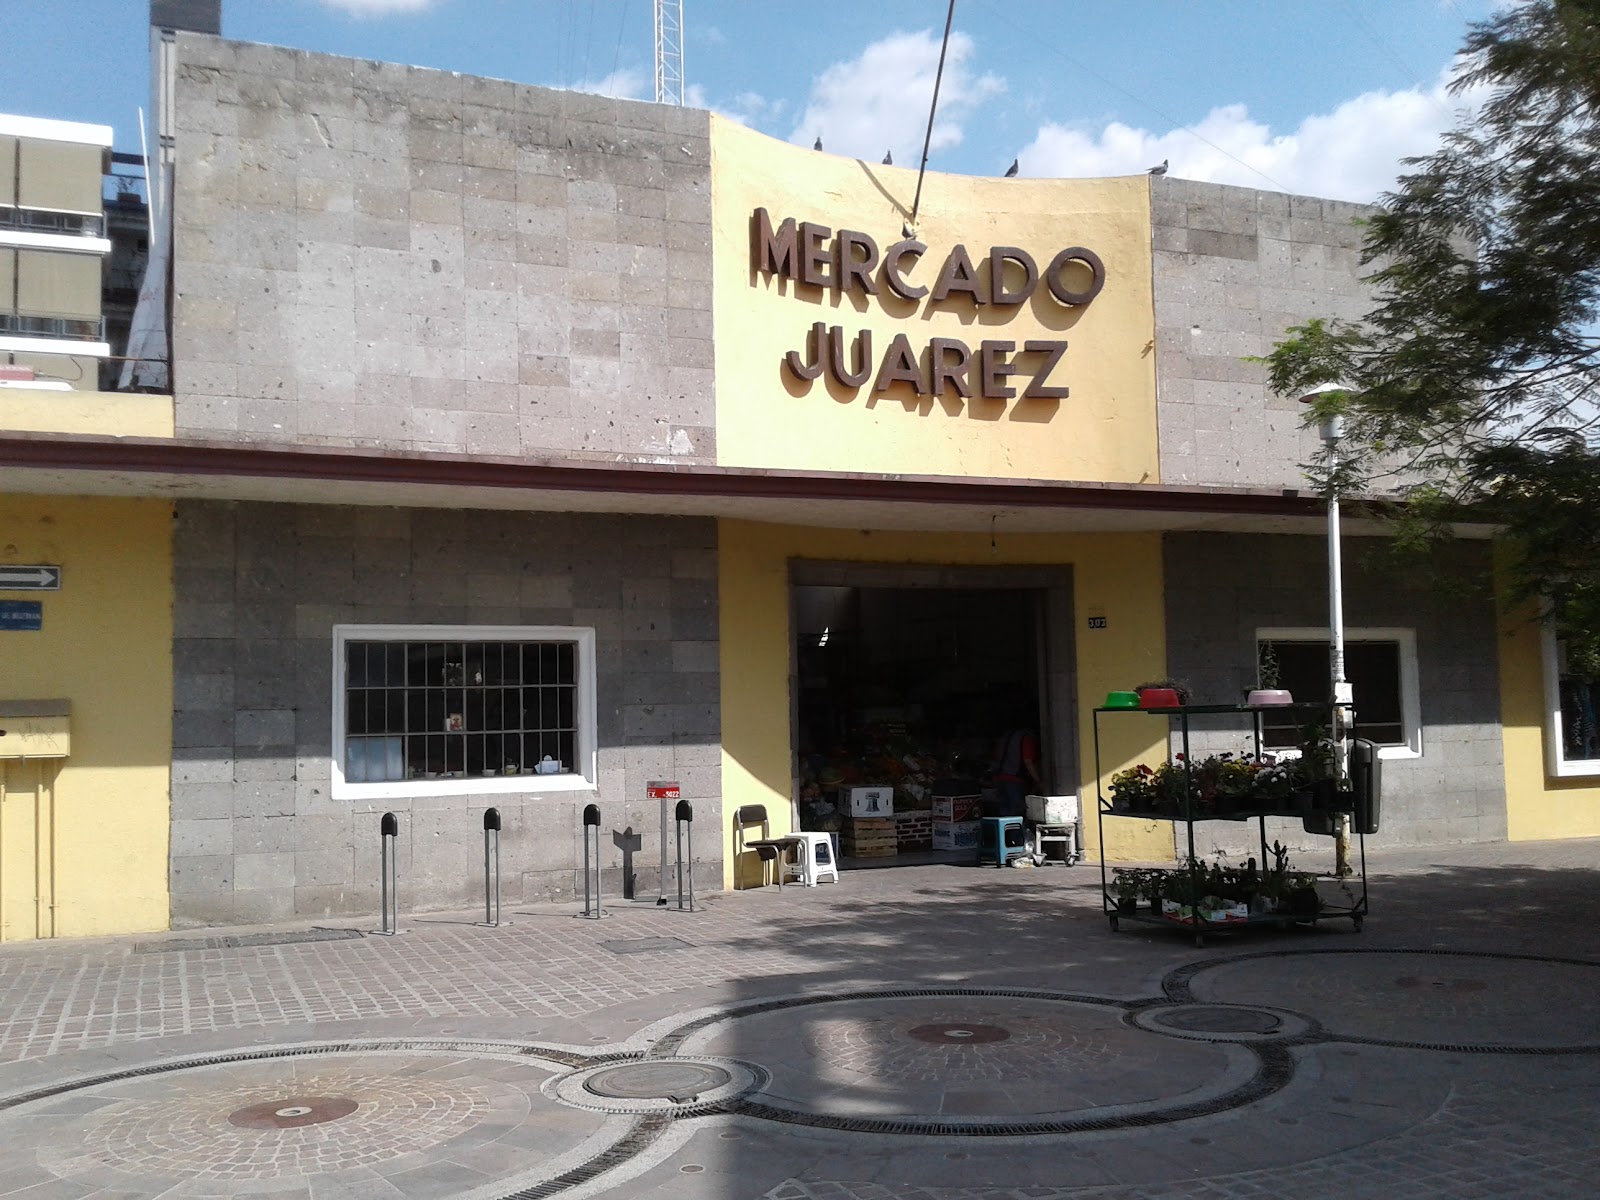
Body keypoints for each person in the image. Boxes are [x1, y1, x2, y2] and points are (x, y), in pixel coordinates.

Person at [991, 723, 1042, 818]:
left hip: (1000, 778)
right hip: (1015, 781)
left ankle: (1006, 828)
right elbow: (1028, 761)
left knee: (1005, 815)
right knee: (1018, 814)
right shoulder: (1026, 738)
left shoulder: (1005, 736)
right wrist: (1038, 781)